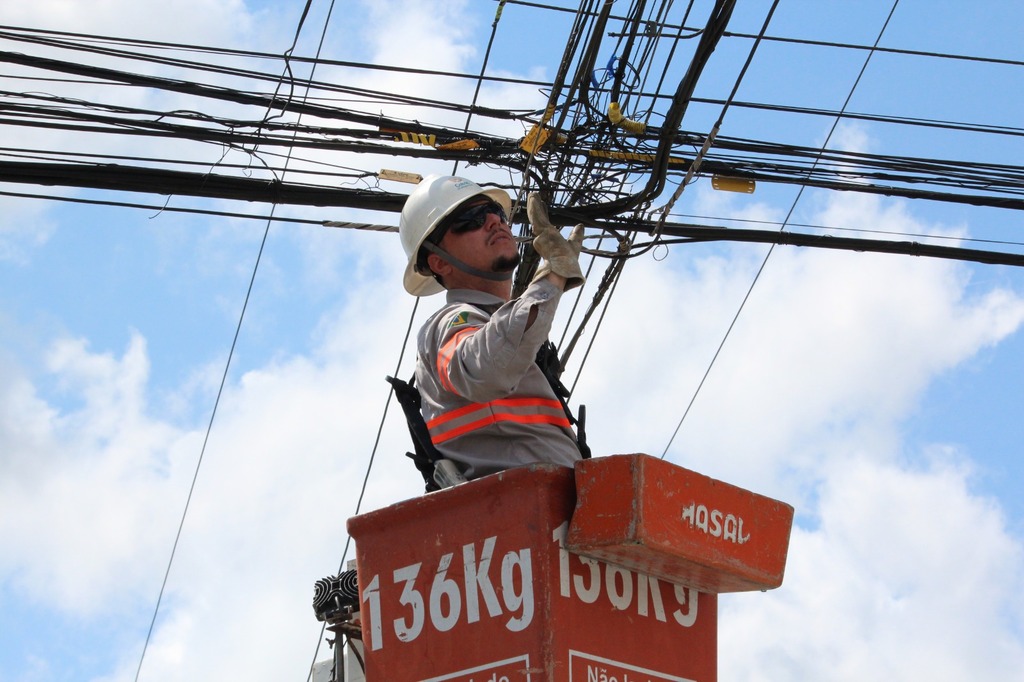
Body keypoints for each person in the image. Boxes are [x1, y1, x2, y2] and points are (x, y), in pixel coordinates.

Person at [398, 175, 588, 484]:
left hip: (553, 508)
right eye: (469, 220)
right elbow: (486, 367)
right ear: (439, 263)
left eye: (496, 213)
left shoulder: (501, 325)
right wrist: (551, 280)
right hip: (515, 513)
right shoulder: (448, 324)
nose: (493, 222)